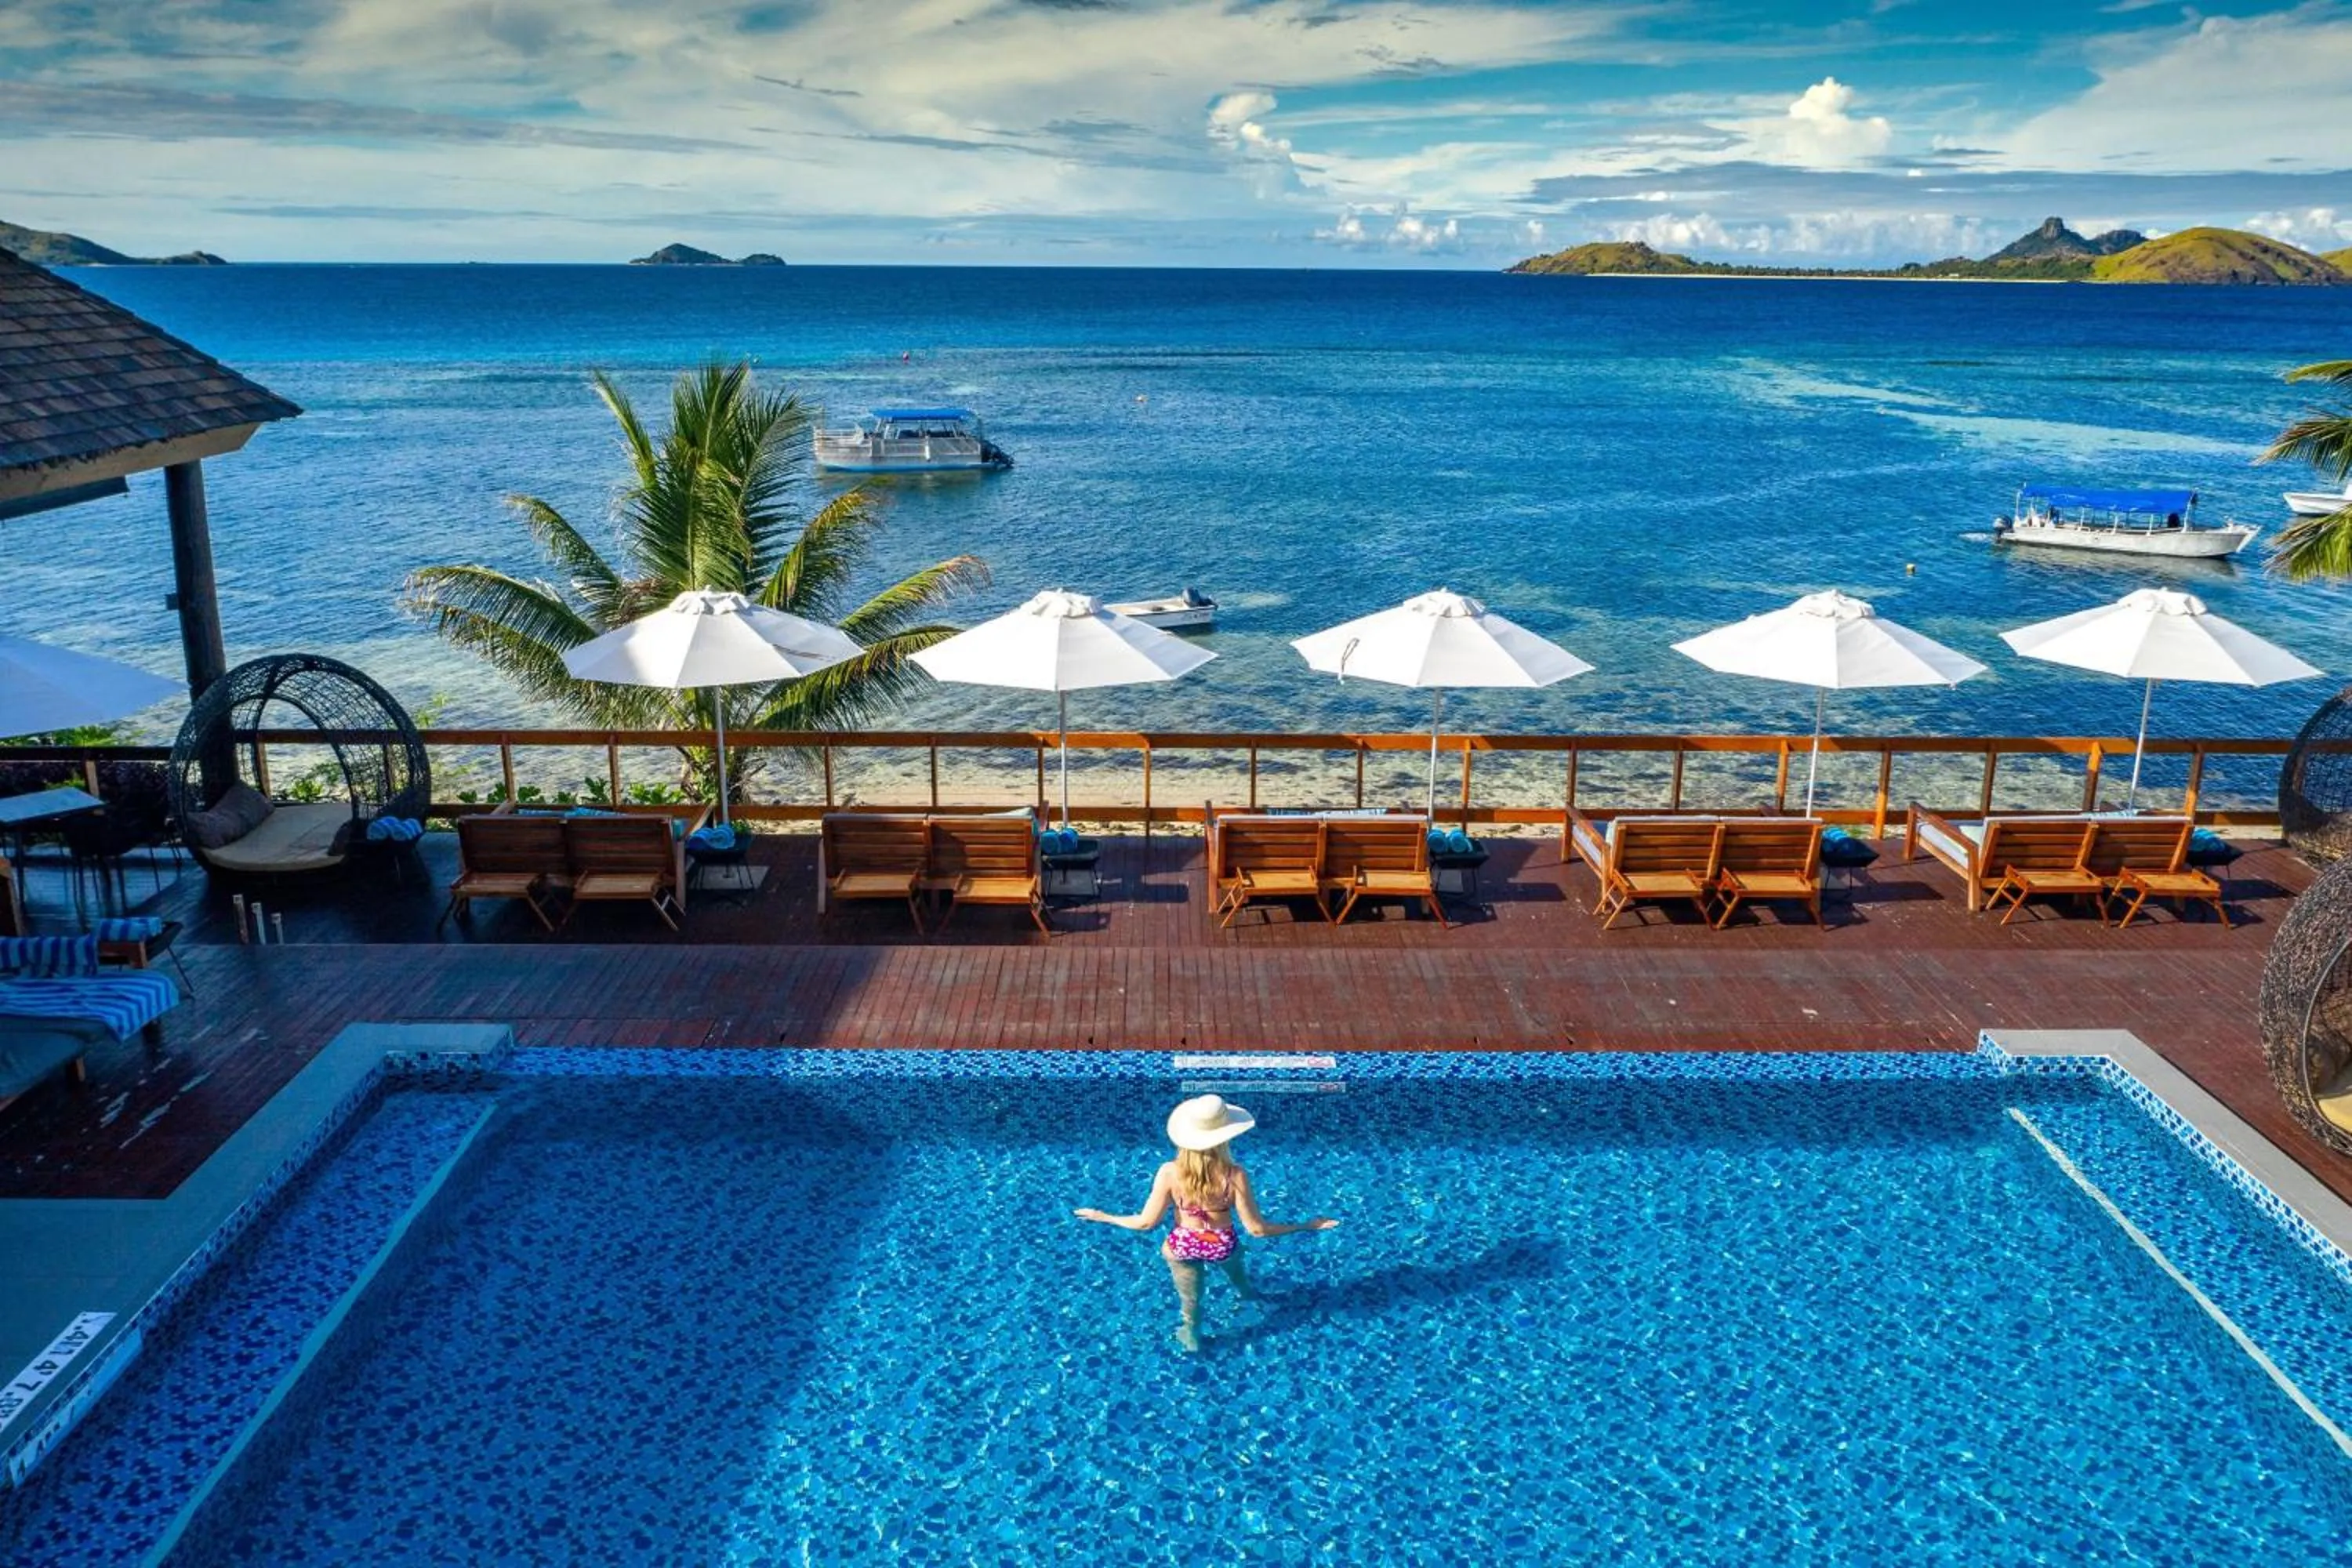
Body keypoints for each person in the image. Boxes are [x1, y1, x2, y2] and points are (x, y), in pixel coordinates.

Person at [1073, 1094, 1338, 1352]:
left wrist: (1104, 1216)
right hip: (1221, 1243)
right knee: (1238, 1274)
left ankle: (1192, 1334)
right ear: (1225, 1137)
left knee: (1191, 1300)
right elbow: (1257, 1230)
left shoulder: (1169, 1172)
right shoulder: (1235, 1176)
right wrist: (1307, 1226)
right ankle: (1247, 1294)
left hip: (1183, 1245)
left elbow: (1146, 1224)